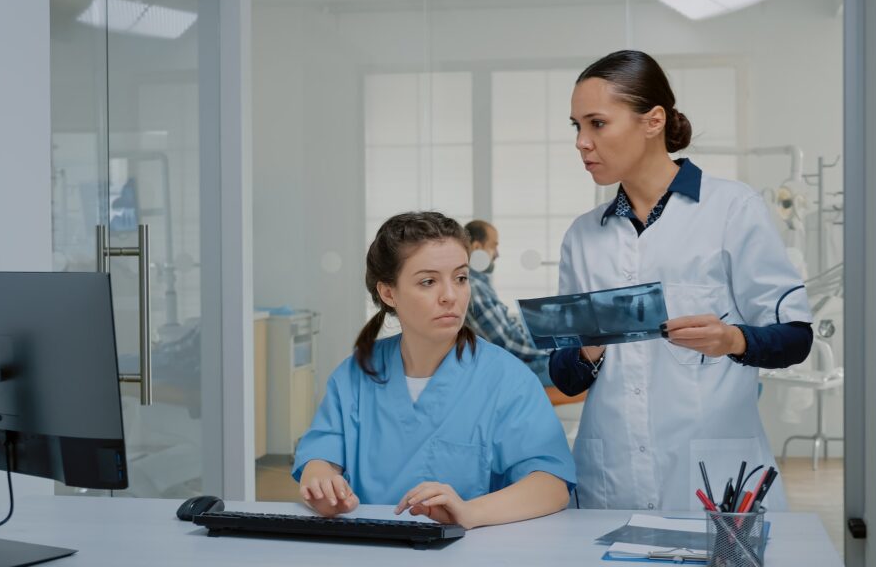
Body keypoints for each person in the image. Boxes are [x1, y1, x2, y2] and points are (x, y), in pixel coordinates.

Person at [550, 50, 813, 511]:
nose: (581, 142)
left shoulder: (733, 209)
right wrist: (591, 346)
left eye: (597, 123)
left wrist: (732, 338)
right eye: (577, 126)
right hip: (611, 475)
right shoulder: (582, 236)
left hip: (712, 474)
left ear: (652, 121)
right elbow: (565, 377)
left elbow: (795, 338)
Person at [293, 212, 575, 529]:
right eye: (428, 281)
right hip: (371, 550)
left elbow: (552, 485)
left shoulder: (507, 379)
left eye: (461, 278)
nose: (450, 296)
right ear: (388, 293)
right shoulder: (355, 375)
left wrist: (470, 512)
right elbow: (321, 456)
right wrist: (320, 479)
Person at [463, 220, 553, 387]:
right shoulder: (474, 288)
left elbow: (509, 332)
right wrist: (550, 349)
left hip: (511, 363)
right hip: (504, 372)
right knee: (574, 365)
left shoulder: (481, 283)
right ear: (476, 248)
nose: (497, 254)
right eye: (493, 246)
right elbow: (507, 343)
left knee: (575, 359)